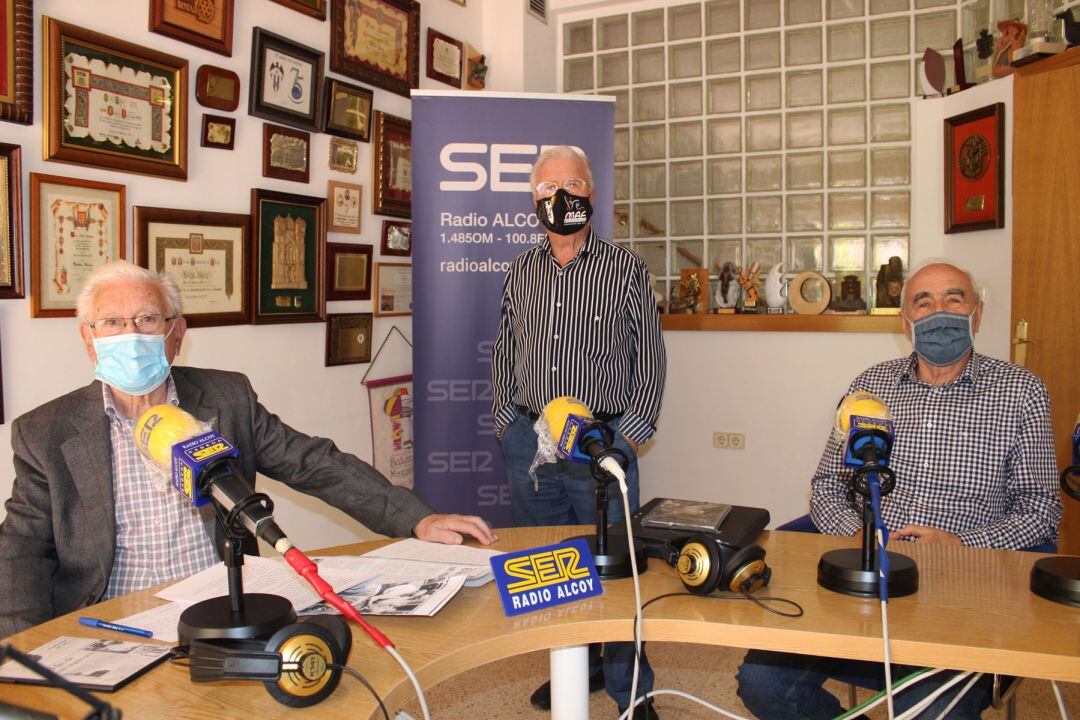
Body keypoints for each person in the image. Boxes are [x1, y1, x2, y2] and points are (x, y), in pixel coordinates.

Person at [0, 262, 496, 638]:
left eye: (147, 319)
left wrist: (415, 517)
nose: (129, 335)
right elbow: (21, 550)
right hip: (112, 618)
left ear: (176, 334)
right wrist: (24, 649)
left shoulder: (225, 397)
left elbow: (312, 462)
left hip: (224, 602)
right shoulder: (45, 432)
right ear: (89, 339)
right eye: (111, 322)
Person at [735, 261, 1063, 720]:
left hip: (966, 594)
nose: (939, 311)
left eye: (954, 299)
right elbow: (828, 485)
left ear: (978, 313)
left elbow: (1040, 508)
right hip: (868, 581)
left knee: (924, 711)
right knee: (762, 684)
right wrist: (856, 536)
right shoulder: (871, 385)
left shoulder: (1021, 392)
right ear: (905, 322)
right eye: (923, 303)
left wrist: (962, 546)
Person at [491, 146, 666, 720]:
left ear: (591, 192)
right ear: (533, 199)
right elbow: (505, 351)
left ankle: (632, 691)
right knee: (550, 568)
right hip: (531, 444)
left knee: (615, 570)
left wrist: (629, 436)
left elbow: (650, 359)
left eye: (571, 184)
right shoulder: (521, 270)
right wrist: (506, 422)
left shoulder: (625, 268)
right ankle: (574, 666)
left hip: (600, 444)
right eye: (547, 187)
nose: (559, 196)